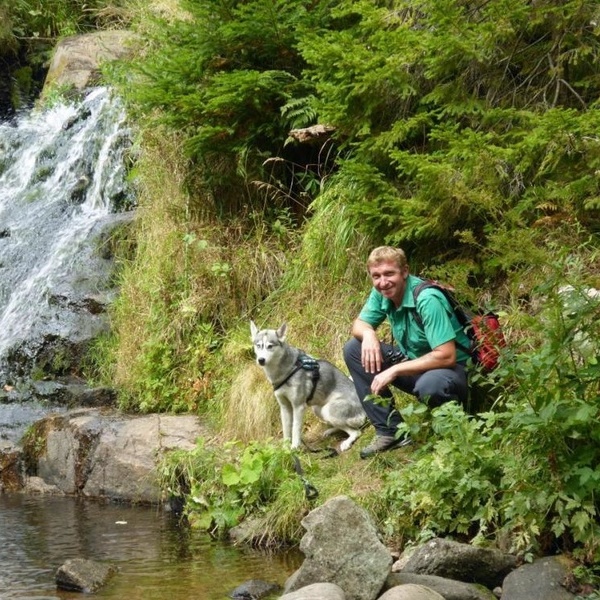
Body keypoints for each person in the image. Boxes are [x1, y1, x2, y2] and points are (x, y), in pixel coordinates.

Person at [343, 246, 471, 458]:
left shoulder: (426, 299)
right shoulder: (381, 293)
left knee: (430, 385)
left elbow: (446, 355)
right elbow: (360, 324)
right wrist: (368, 335)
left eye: (389, 274)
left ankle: (457, 429)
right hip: (418, 363)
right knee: (354, 349)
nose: (383, 282)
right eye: (376, 276)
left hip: (457, 372)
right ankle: (390, 430)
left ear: (404, 272)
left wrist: (394, 370)